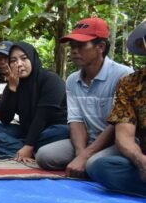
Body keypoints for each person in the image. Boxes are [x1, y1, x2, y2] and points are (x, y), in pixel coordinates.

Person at [36, 17, 132, 175]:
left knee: (94, 164)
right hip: (89, 139)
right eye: (72, 46)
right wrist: (80, 152)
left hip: (118, 141)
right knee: (44, 156)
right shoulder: (72, 80)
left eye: (81, 45)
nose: (74, 51)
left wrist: (85, 156)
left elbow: (117, 124)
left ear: (101, 47)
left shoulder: (123, 75)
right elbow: (76, 120)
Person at [0, 42, 70, 163]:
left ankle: (24, 149)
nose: (18, 64)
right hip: (27, 130)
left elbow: (42, 118)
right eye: (13, 60)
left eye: (24, 58)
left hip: (51, 129)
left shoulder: (51, 80)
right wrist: (12, 88)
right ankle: (30, 151)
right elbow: (4, 118)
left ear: (33, 59)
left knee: (64, 131)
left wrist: (29, 145)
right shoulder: (15, 83)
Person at [86, 21, 146, 195]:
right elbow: (124, 136)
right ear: (142, 45)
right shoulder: (130, 83)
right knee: (101, 167)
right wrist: (140, 160)